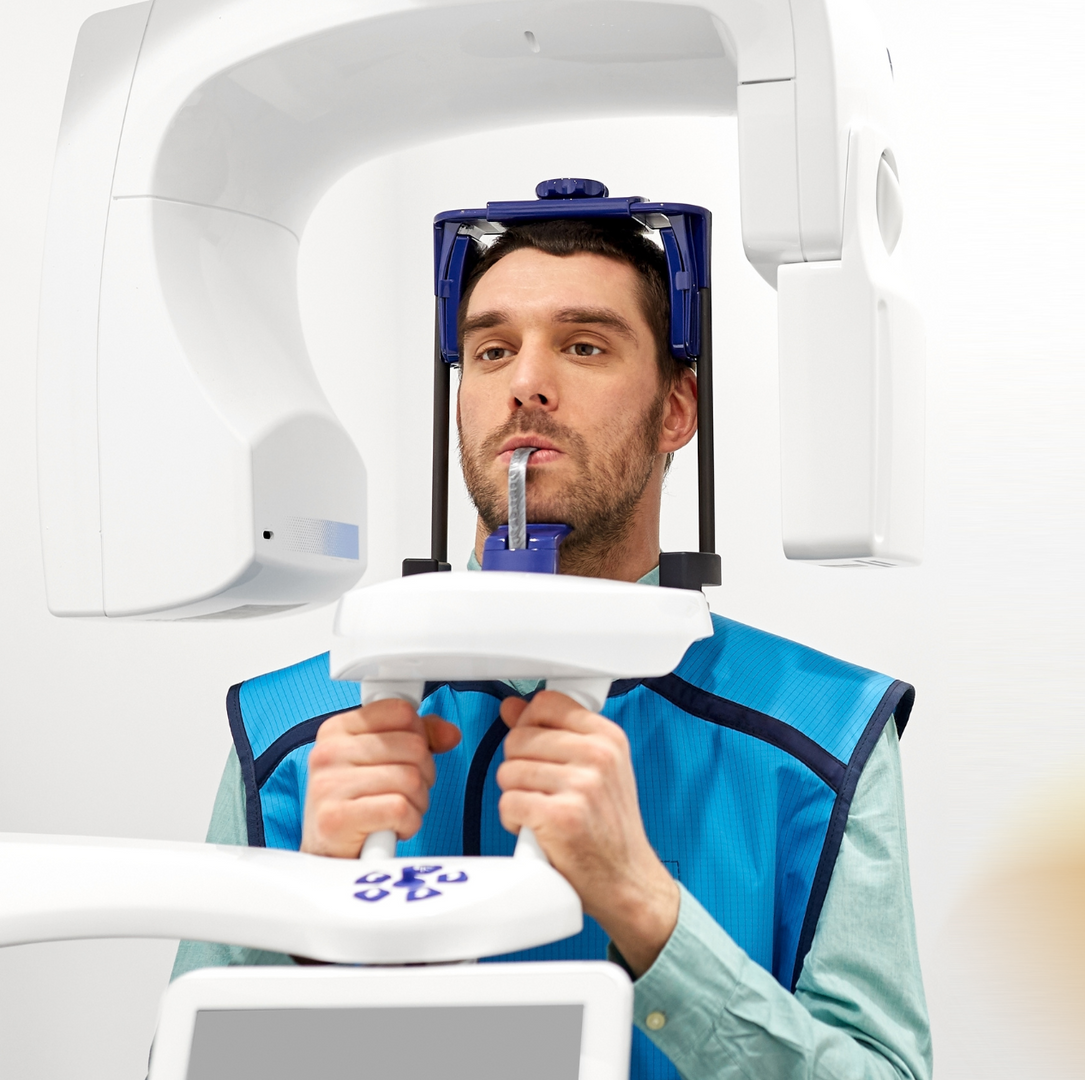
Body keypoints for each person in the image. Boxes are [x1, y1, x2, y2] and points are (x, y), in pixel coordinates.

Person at [173, 216, 931, 1080]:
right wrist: (307, 928)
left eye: (582, 346)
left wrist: (649, 911)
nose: (527, 384)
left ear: (676, 408)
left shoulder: (825, 733)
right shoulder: (291, 739)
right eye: (491, 352)